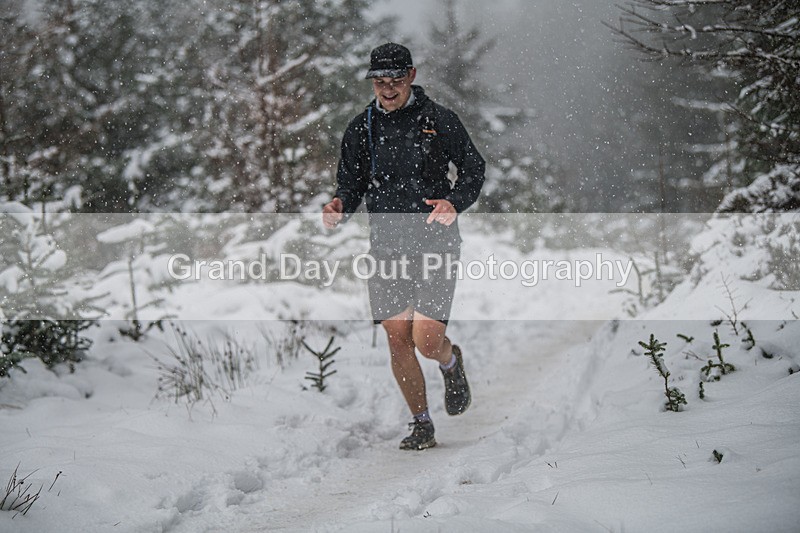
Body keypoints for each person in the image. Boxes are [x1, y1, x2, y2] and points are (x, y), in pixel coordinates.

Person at [322, 42, 485, 450]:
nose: (388, 88)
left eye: (395, 80)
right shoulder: (362, 128)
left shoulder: (438, 120)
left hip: (435, 241)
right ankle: (422, 424)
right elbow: (351, 181)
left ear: (411, 75)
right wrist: (341, 202)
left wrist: (455, 202)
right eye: (380, 81)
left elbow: (473, 168)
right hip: (387, 246)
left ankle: (450, 361)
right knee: (398, 338)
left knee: (425, 340)